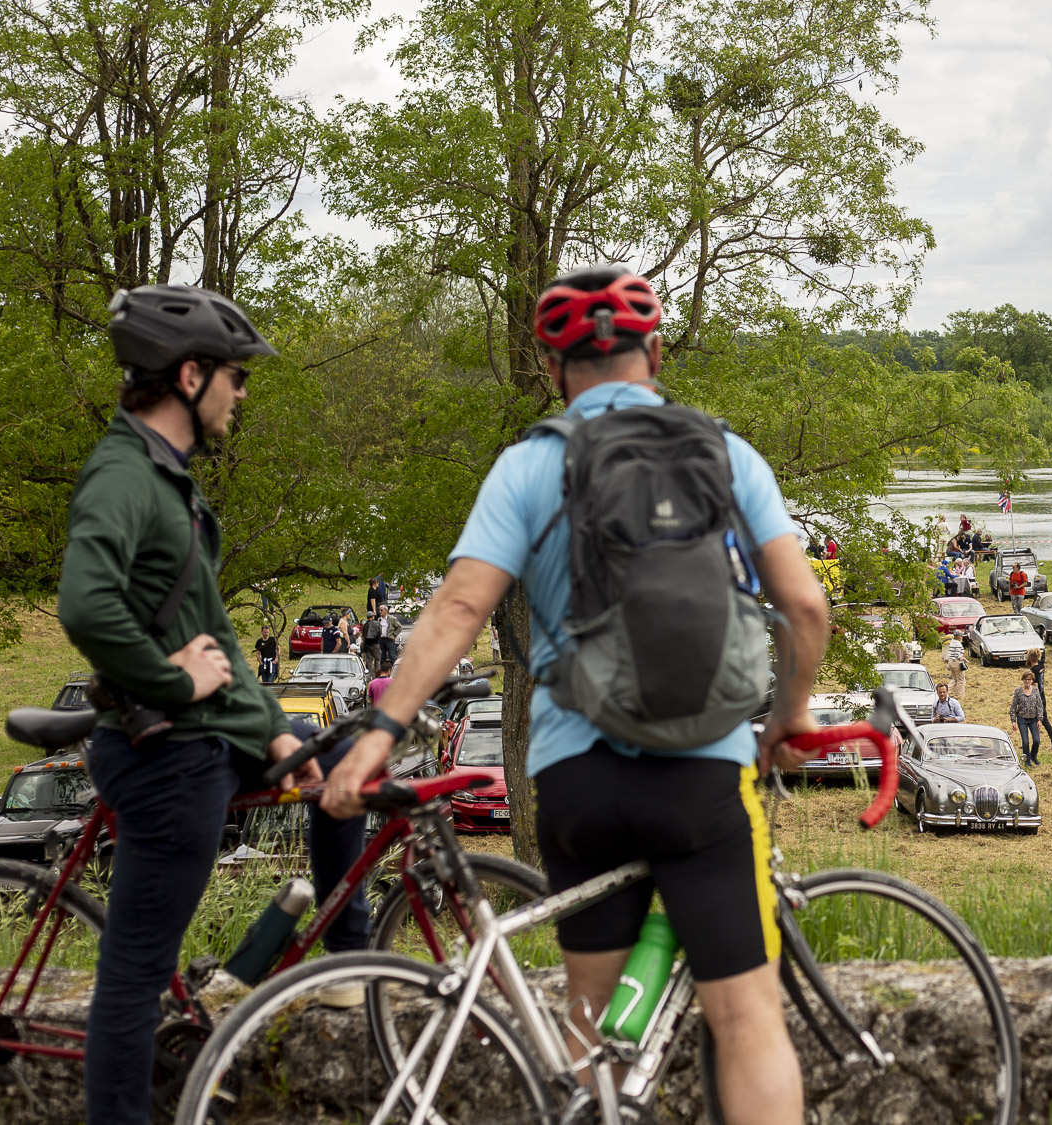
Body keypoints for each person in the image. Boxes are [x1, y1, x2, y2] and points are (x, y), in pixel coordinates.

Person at [318, 267, 831, 1125]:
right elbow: (805, 605)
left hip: (576, 772)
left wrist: (379, 729)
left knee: (588, 1027)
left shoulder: (530, 463)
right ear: (656, 354)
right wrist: (791, 714)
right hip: (704, 771)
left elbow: (458, 607)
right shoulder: (725, 454)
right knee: (745, 1015)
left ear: (555, 370)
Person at [57, 283, 369, 1125]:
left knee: (341, 752)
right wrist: (169, 679)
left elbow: (216, 632)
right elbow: (87, 605)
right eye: (235, 375)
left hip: (211, 739)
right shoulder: (123, 475)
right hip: (164, 755)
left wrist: (273, 729)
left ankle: (348, 960)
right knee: (132, 977)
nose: (242, 391)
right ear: (190, 375)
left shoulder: (171, 480)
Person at [1023, 649, 1052, 753]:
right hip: (1043, 697)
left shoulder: (1033, 670)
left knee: (1035, 720)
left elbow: (1036, 686)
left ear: (1029, 658)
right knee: (1043, 720)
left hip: (1036, 698)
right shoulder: (1041, 666)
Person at [1009, 671, 1045, 768]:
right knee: (1025, 742)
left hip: (1033, 719)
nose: (1027, 681)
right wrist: (1013, 721)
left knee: (1037, 740)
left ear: (1032, 680)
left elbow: (1040, 705)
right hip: (1022, 719)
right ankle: (1027, 761)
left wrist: (1039, 719)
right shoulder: (1018, 691)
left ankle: (1033, 756)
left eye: (1029, 679)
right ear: (1022, 680)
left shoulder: (1036, 690)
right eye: (1025, 679)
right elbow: (1013, 707)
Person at [944, 632, 967, 701]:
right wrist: (963, 658)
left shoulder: (952, 642)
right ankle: (959, 695)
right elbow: (957, 654)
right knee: (961, 680)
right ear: (959, 636)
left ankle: (946, 692)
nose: (962, 637)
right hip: (956, 662)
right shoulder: (958, 643)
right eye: (961, 635)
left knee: (954, 678)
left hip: (951, 662)